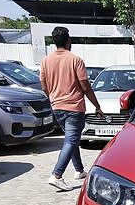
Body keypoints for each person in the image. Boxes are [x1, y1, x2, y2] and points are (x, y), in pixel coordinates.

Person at [40, 26, 104, 191]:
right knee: (71, 139)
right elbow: (85, 86)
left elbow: (44, 86)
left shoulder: (46, 61)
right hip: (74, 107)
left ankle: (79, 170)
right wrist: (97, 106)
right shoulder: (75, 60)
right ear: (69, 41)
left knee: (72, 138)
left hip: (57, 107)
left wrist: (53, 98)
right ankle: (57, 175)